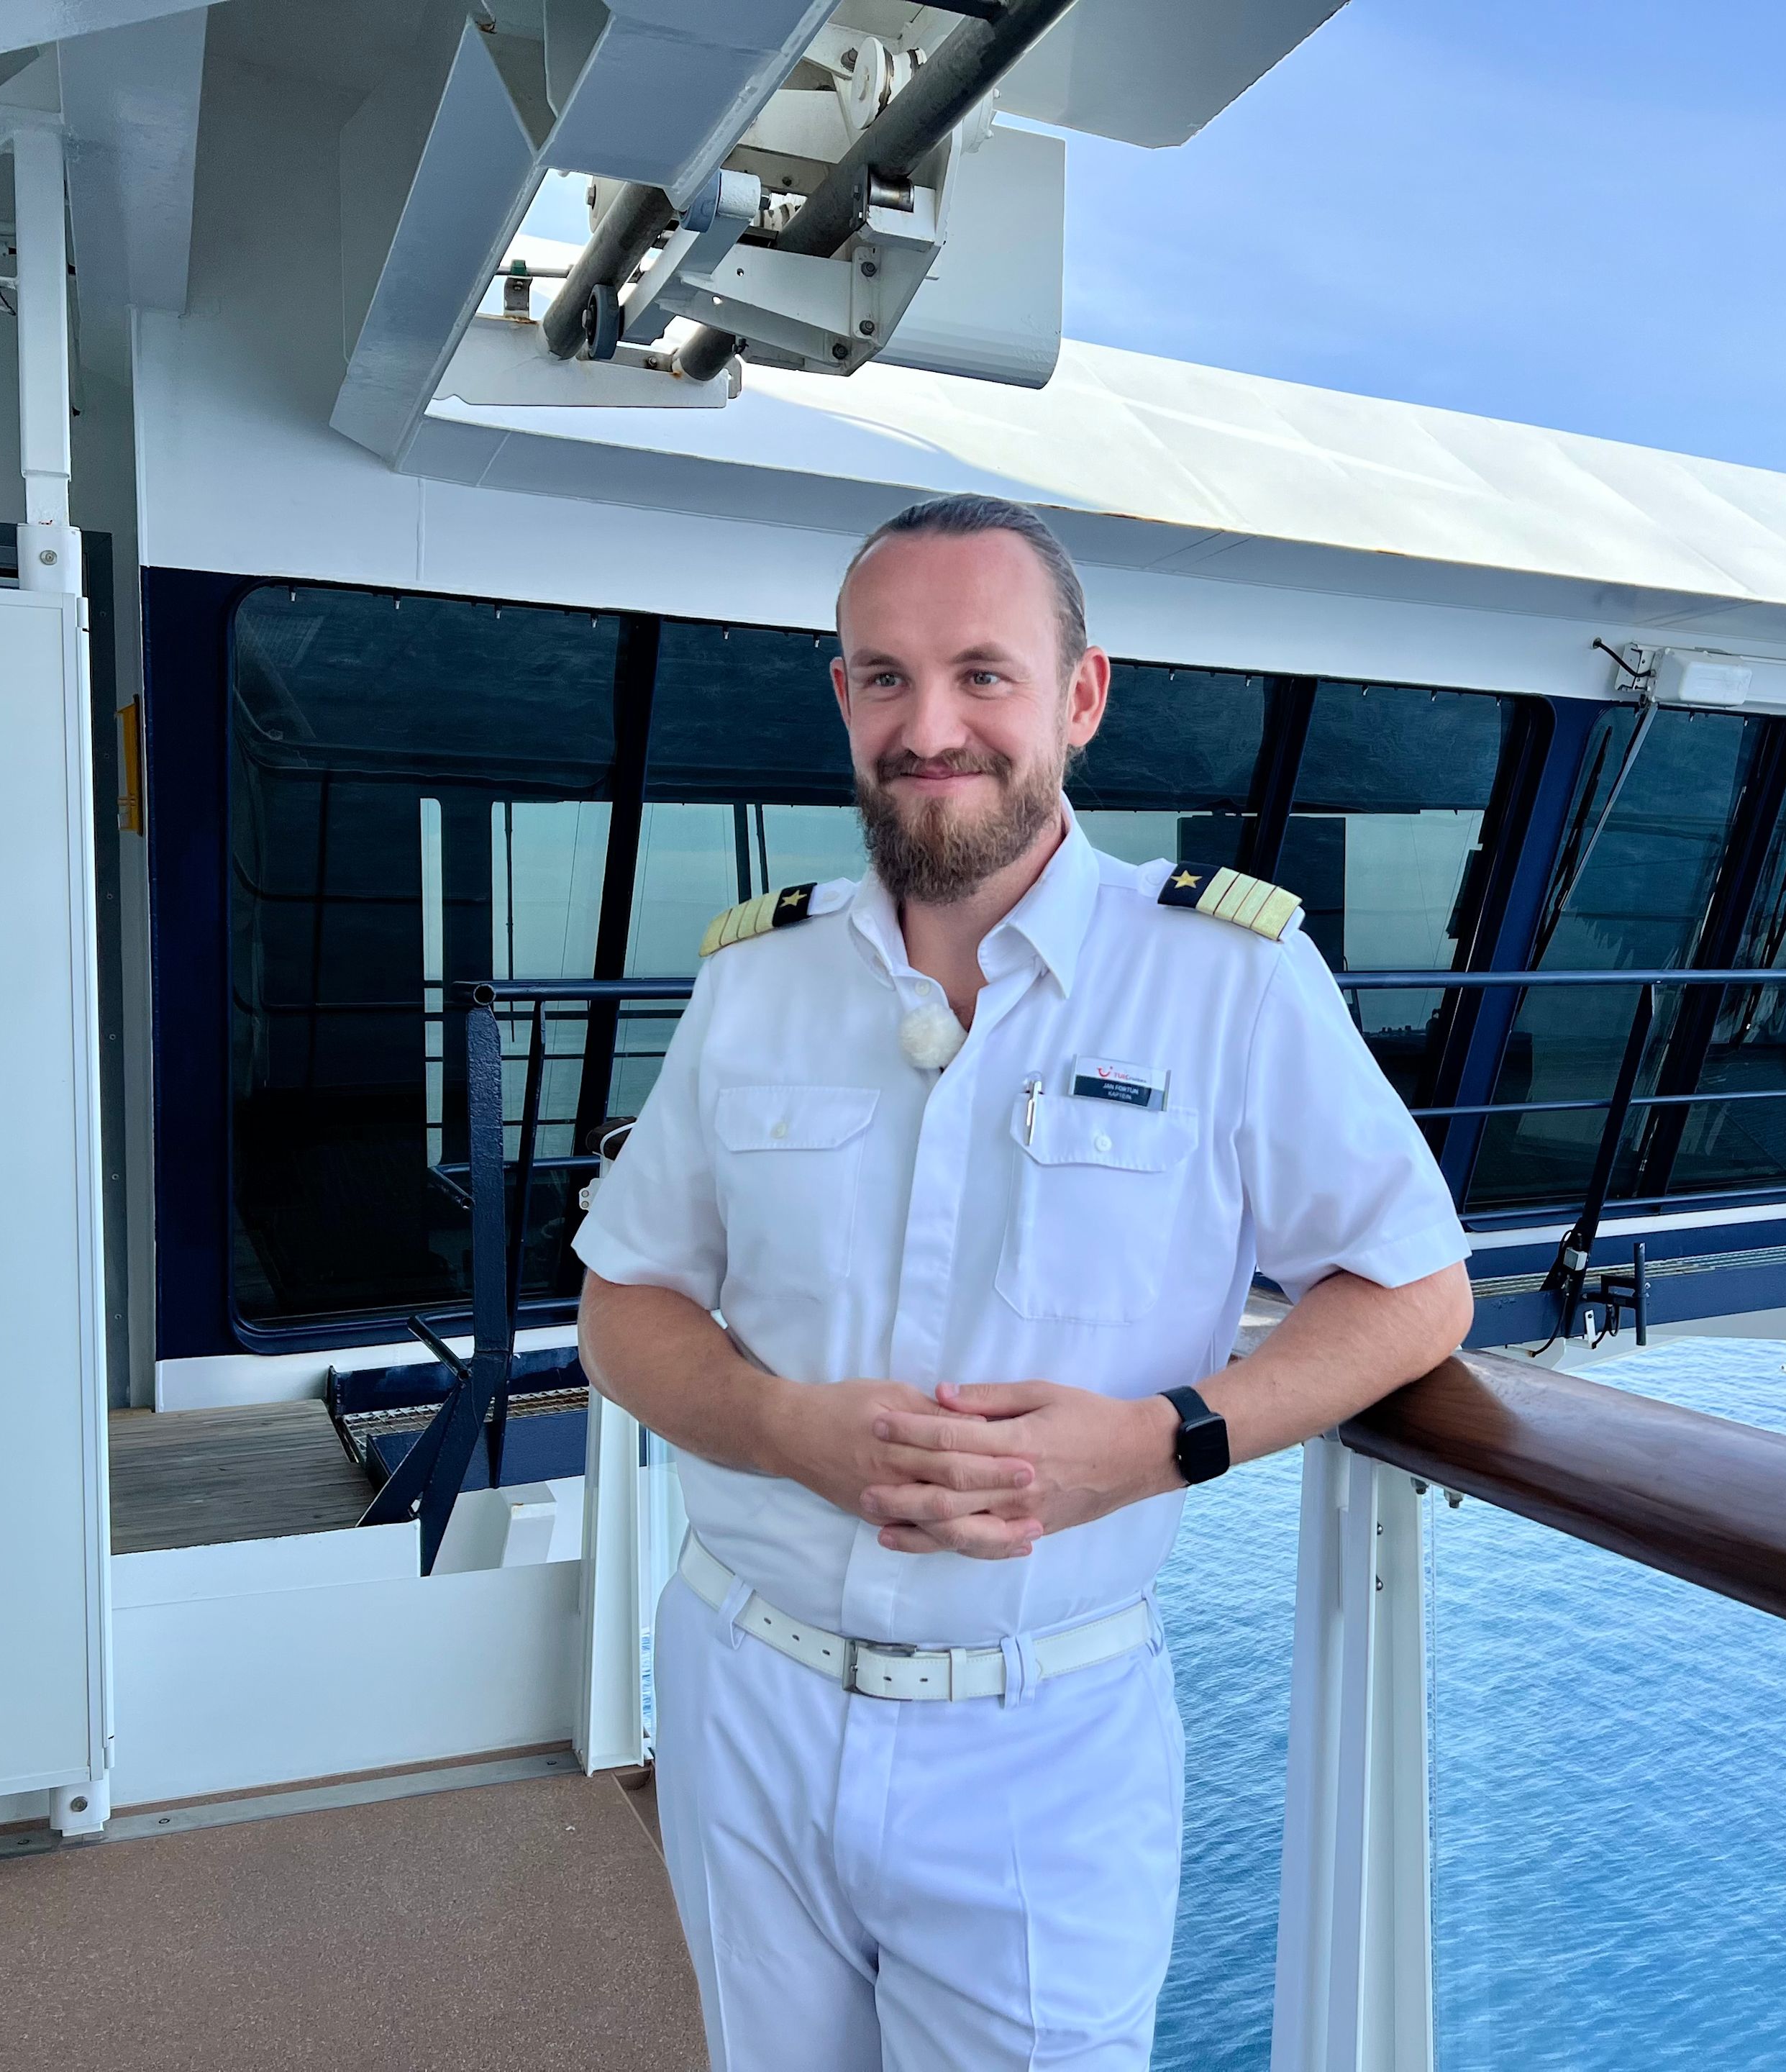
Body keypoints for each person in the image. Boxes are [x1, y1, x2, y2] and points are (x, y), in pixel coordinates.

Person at [575, 492, 1472, 2071]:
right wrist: (786, 1433)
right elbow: (626, 1305)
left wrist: (1160, 1442)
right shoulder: (754, 982)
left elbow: (1411, 1287)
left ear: (1079, 697)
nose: (932, 729)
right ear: (843, 698)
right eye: (884, 678)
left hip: (1038, 1732)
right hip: (746, 1690)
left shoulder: (1229, 980)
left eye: (983, 675)